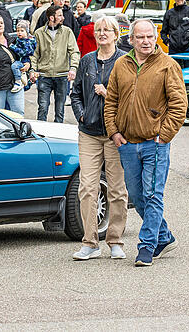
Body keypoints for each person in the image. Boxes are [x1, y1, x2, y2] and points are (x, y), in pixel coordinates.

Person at [104, 18, 187, 267]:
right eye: (140, 37)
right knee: (138, 196)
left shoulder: (167, 65)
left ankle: (146, 245)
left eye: (149, 36)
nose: (145, 41)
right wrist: (114, 132)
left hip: (155, 144)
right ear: (131, 39)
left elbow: (179, 104)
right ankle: (164, 236)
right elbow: (111, 101)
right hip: (127, 144)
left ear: (156, 36)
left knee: (153, 194)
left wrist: (164, 136)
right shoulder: (121, 64)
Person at [70, 15, 128, 261]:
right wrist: (82, 116)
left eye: (107, 30)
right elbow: (75, 95)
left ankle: (115, 240)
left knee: (117, 189)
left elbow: (131, 97)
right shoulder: (86, 61)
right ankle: (90, 242)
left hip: (115, 133)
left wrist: (108, 93)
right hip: (90, 133)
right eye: (99, 30)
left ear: (116, 34)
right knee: (87, 188)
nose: (102, 33)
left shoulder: (125, 61)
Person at [30, 5, 79, 123]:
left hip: (61, 76)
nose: (63, 17)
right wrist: (32, 70)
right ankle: (40, 133)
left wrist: (73, 68)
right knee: (42, 108)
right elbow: (34, 55)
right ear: (51, 18)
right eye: (60, 15)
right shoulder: (39, 33)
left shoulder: (67, 32)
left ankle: (58, 135)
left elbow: (74, 52)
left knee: (60, 110)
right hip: (44, 76)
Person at [9, 20, 37, 92]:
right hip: (21, 60)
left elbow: (24, 53)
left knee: (14, 66)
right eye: (18, 31)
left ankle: (17, 82)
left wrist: (13, 47)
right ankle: (28, 82)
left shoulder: (28, 41)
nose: (19, 32)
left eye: (22, 30)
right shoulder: (19, 39)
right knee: (24, 79)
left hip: (25, 61)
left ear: (26, 32)